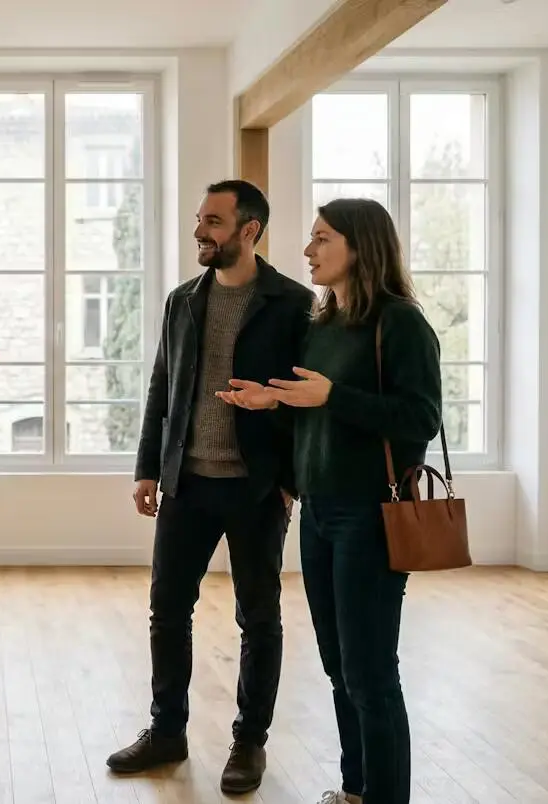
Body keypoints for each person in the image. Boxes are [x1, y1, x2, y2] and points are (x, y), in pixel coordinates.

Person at [218, 197, 442, 804]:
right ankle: (353, 791)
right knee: (340, 670)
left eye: (322, 239)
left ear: (359, 247)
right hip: (316, 513)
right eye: (312, 238)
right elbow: (313, 404)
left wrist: (331, 398)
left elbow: (421, 417)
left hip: (370, 516)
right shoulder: (321, 324)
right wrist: (276, 400)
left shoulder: (400, 323)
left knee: (371, 674)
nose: (308, 250)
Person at [107, 179, 314, 795]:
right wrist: (148, 468)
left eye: (214, 221)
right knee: (168, 611)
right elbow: (161, 388)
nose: (201, 230)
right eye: (200, 219)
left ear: (249, 230)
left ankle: (250, 742)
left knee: (259, 618)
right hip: (186, 485)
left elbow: (307, 403)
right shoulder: (182, 301)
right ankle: (166, 731)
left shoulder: (294, 304)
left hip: (257, 489)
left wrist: (290, 483)